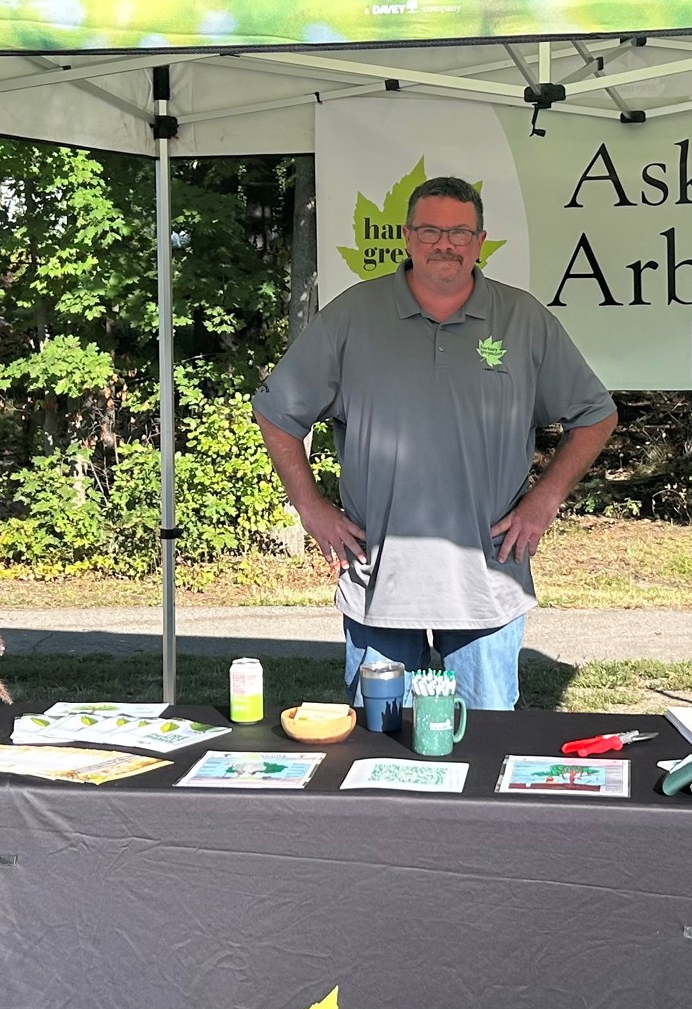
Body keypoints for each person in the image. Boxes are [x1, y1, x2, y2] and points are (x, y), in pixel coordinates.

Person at [253, 174, 617, 712]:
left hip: (486, 583)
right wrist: (309, 506)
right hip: (379, 581)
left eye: (459, 233)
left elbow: (596, 415)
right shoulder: (353, 316)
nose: (444, 244)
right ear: (406, 236)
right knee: (378, 754)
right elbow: (276, 411)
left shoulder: (522, 319)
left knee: (484, 749)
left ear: (480, 240)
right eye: (429, 231)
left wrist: (543, 502)